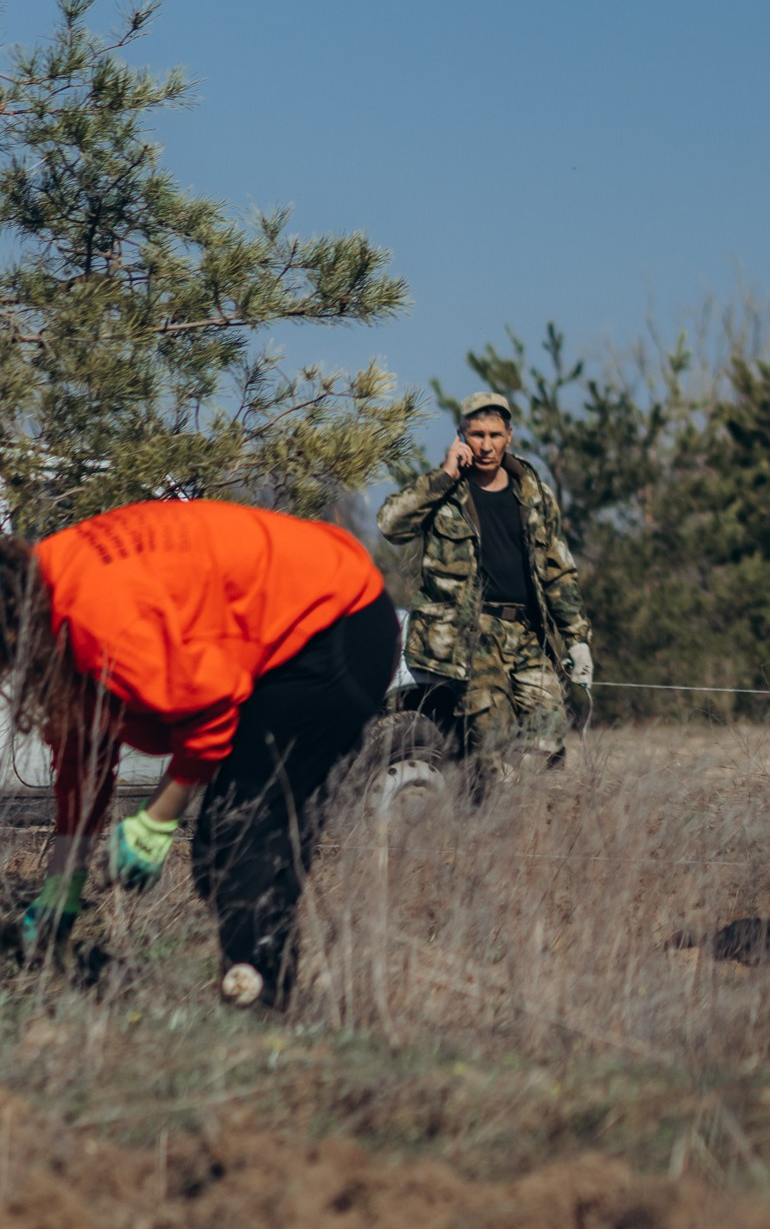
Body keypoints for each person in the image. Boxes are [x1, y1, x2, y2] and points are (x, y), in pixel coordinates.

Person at [0, 495, 399, 1007]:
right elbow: (85, 759)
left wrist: (155, 823)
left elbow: (210, 718)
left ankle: (260, 1010)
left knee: (238, 836)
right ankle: (265, 994)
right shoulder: (47, 591)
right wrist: (62, 888)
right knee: (240, 842)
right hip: (297, 628)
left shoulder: (100, 620)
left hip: (335, 625)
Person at [378, 392, 592, 767]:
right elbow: (390, 525)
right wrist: (445, 474)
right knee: (490, 738)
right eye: (477, 434)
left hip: (526, 632)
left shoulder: (534, 494)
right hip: (470, 633)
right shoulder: (445, 490)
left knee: (549, 732)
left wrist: (577, 640)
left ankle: (521, 797)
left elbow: (558, 570)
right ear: (461, 435)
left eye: (494, 435)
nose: (486, 445)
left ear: (509, 435)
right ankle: (489, 797)